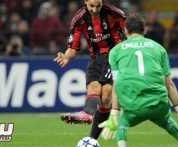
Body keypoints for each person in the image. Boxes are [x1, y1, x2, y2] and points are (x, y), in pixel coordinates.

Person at [98, 15, 178, 147]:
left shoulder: (115, 51)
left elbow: (117, 84)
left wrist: (114, 113)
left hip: (133, 106)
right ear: (144, 30)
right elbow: (168, 83)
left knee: (121, 124)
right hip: (159, 104)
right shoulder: (159, 48)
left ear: (125, 30)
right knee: (166, 120)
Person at [54, 0, 126, 139]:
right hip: (96, 58)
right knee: (93, 87)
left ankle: (99, 126)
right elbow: (73, 47)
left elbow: (129, 35)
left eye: (98, 5)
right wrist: (66, 56)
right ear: (85, 2)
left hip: (114, 56)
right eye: (91, 6)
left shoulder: (115, 14)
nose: (95, 9)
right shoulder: (79, 19)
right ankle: (87, 114)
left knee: (106, 95)